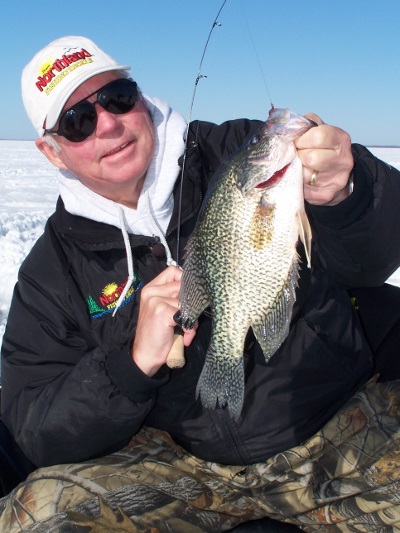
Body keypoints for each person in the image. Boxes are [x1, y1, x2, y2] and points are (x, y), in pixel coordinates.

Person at [0, 35, 400, 532]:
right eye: (77, 121)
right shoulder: (50, 271)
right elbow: (35, 427)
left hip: (337, 427)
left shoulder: (240, 151)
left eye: (117, 96)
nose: (108, 123)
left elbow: (372, 258)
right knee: (35, 516)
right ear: (52, 151)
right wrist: (128, 368)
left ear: (140, 97)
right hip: (183, 466)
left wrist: (351, 188)